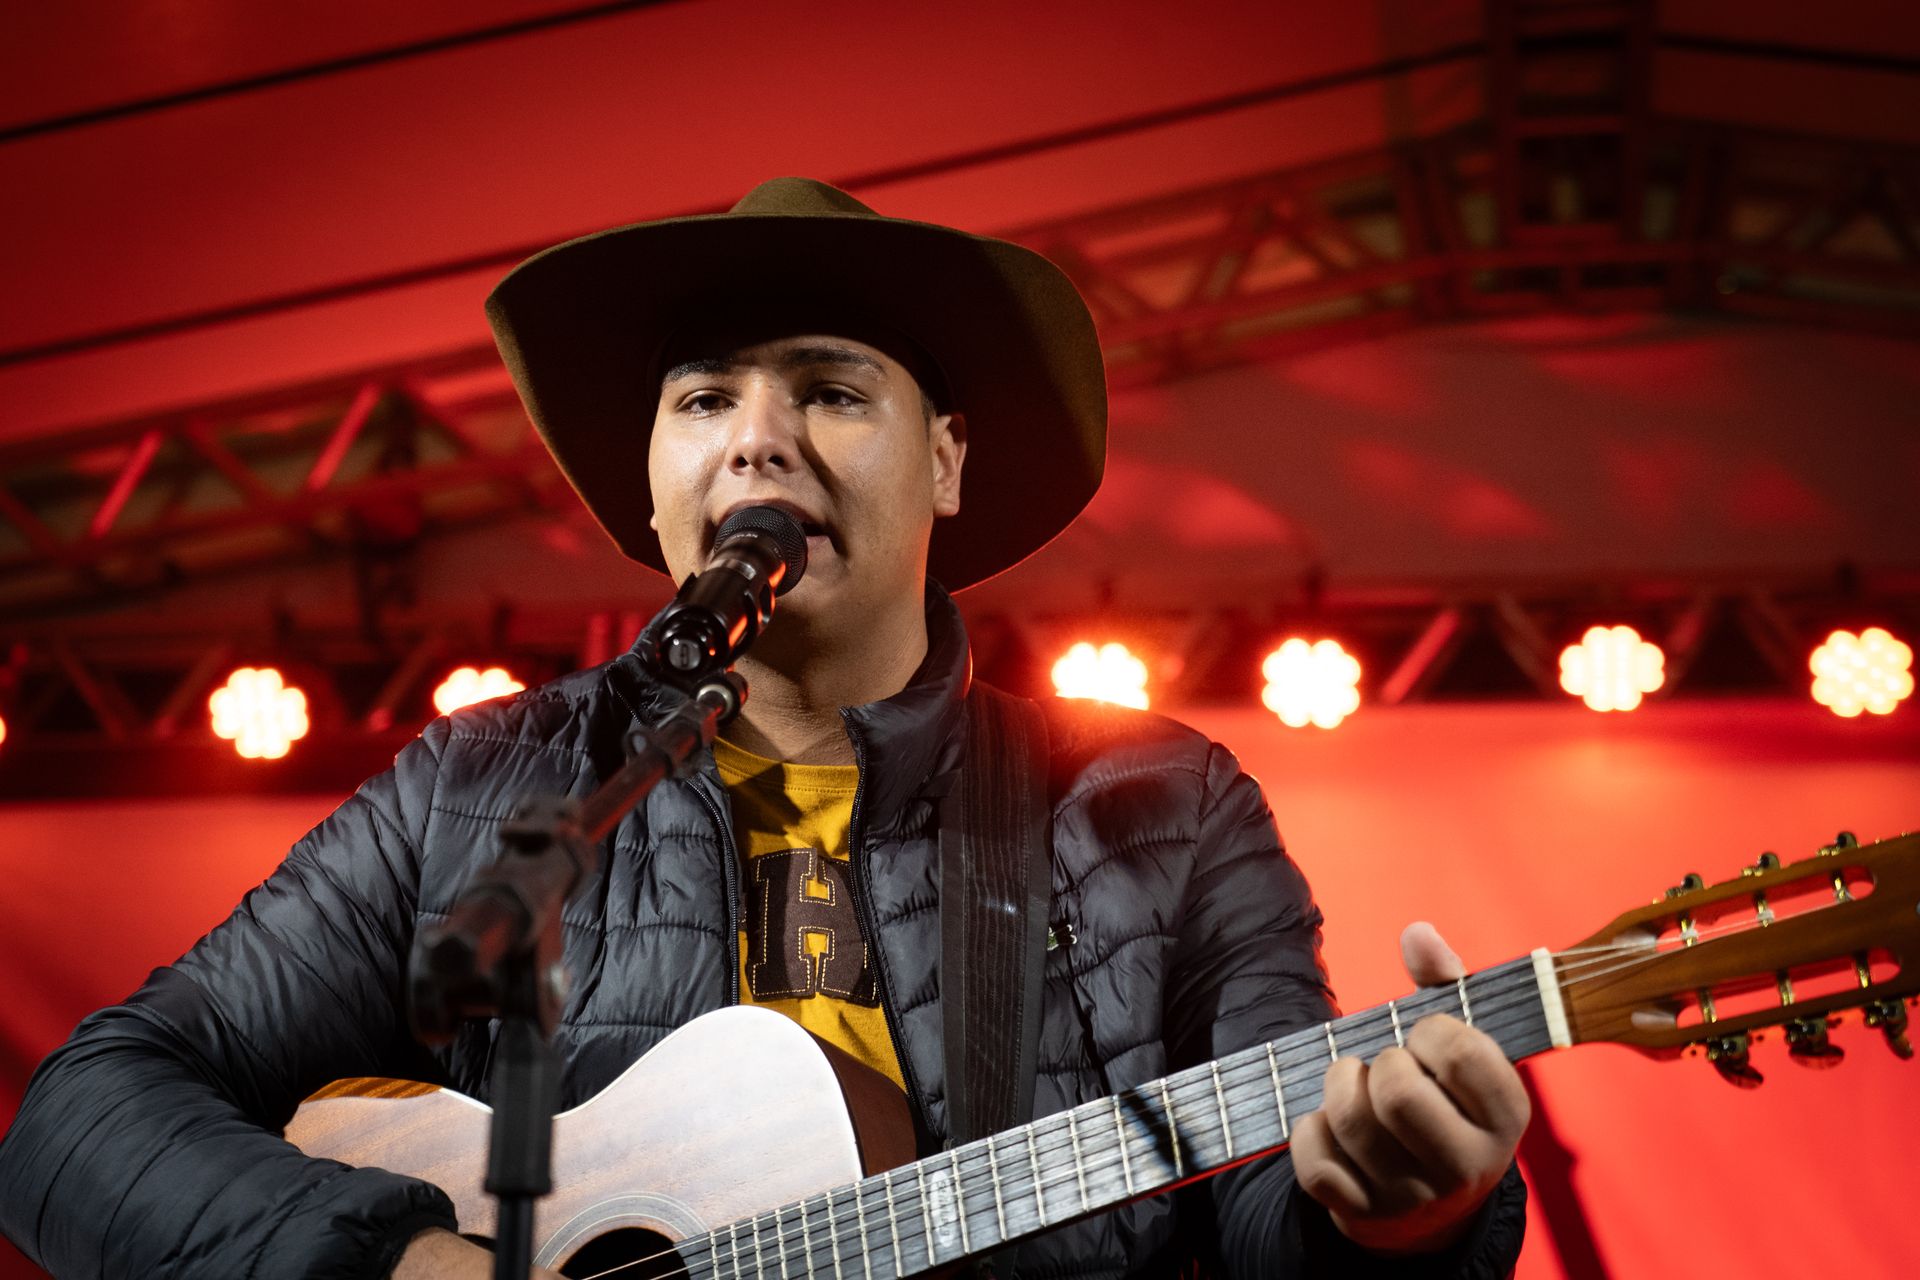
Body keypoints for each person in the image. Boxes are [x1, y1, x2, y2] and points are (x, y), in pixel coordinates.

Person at [0, 178, 1529, 1278]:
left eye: (831, 392)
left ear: (945, 461)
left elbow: (1272, 1218)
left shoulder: (1156, 805)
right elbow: (80, 1117)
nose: (757, 439)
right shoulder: (476, 792)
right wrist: (400, 1261)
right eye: (703, 399)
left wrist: (1402, 1214)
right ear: (655, 480)